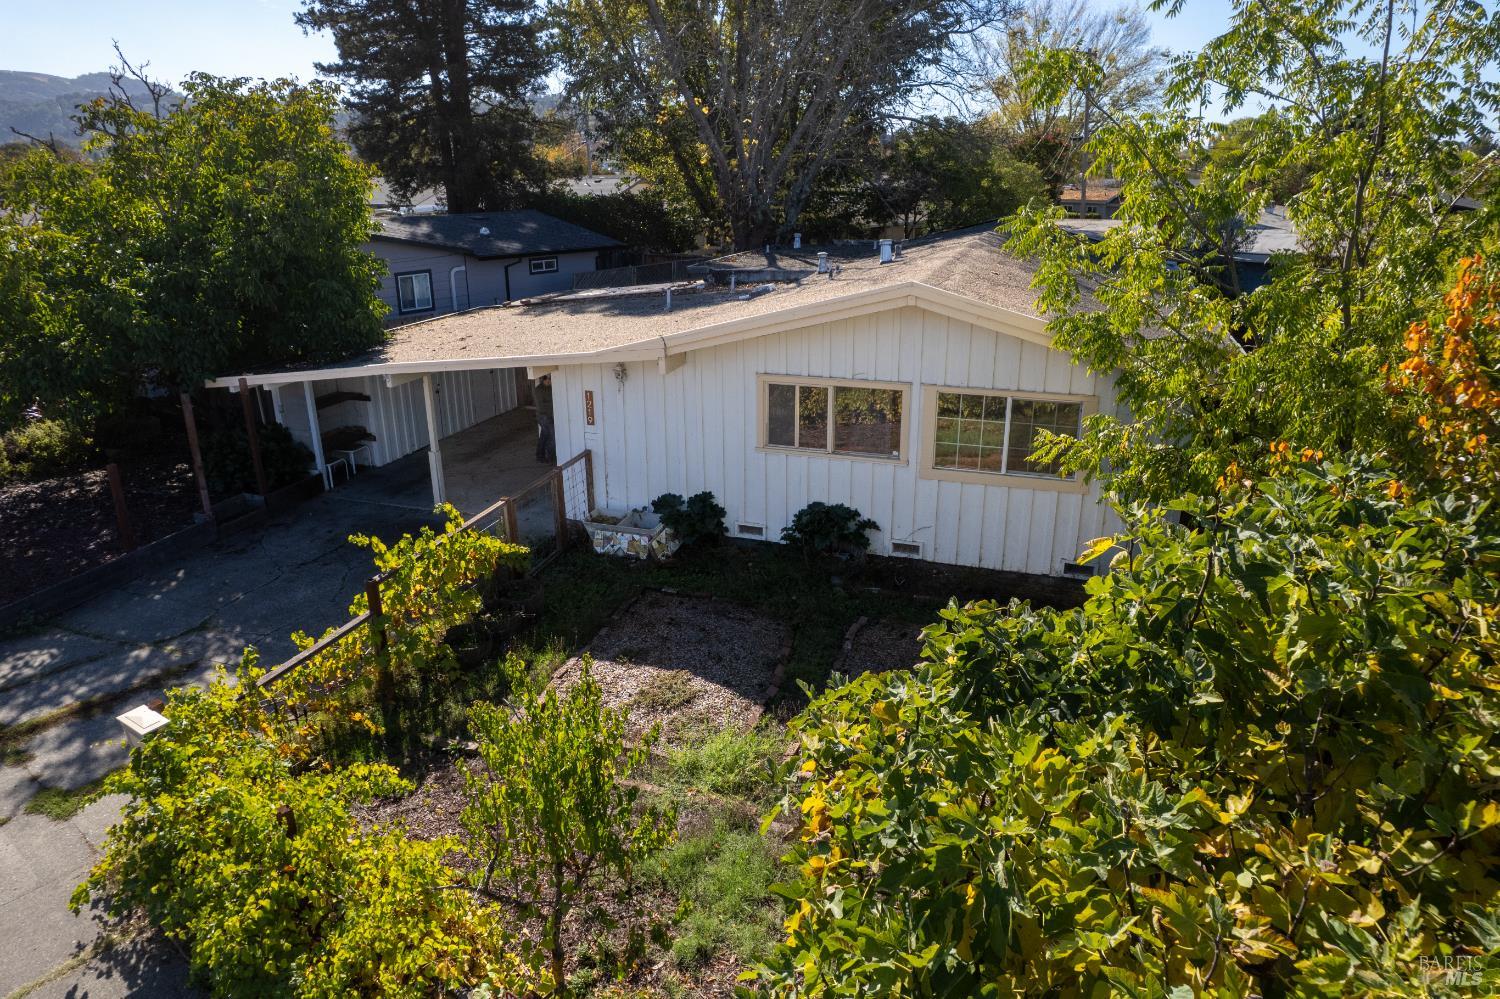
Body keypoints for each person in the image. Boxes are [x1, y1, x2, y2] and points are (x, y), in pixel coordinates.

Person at [533, 374, 555, 463]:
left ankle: (540, 455)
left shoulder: (551, 388)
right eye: (546, 379)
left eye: (550, 378)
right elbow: (541, 406)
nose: (548, 380)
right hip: (543, 416)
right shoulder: (538, 390)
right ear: (543, 379)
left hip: (549, 415)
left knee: (544, 436)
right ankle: (551, 458)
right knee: (552, 436)